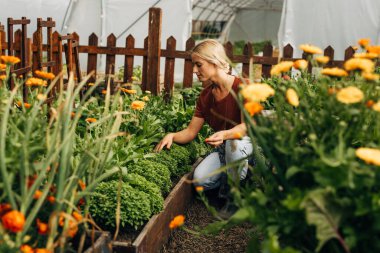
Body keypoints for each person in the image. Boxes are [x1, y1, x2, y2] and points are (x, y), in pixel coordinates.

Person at [154, 39, 253, 216]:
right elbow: (191, 132)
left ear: (214, 62)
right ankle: (238, 177)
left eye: (198, 65)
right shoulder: (206, 96)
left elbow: (249, 126)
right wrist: (172, 135)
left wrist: (226, 134)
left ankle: (234, 197)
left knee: (234, 144)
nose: (194, 70)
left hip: (249, 145)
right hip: (225, 148)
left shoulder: (243, 87)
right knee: (200, 181)